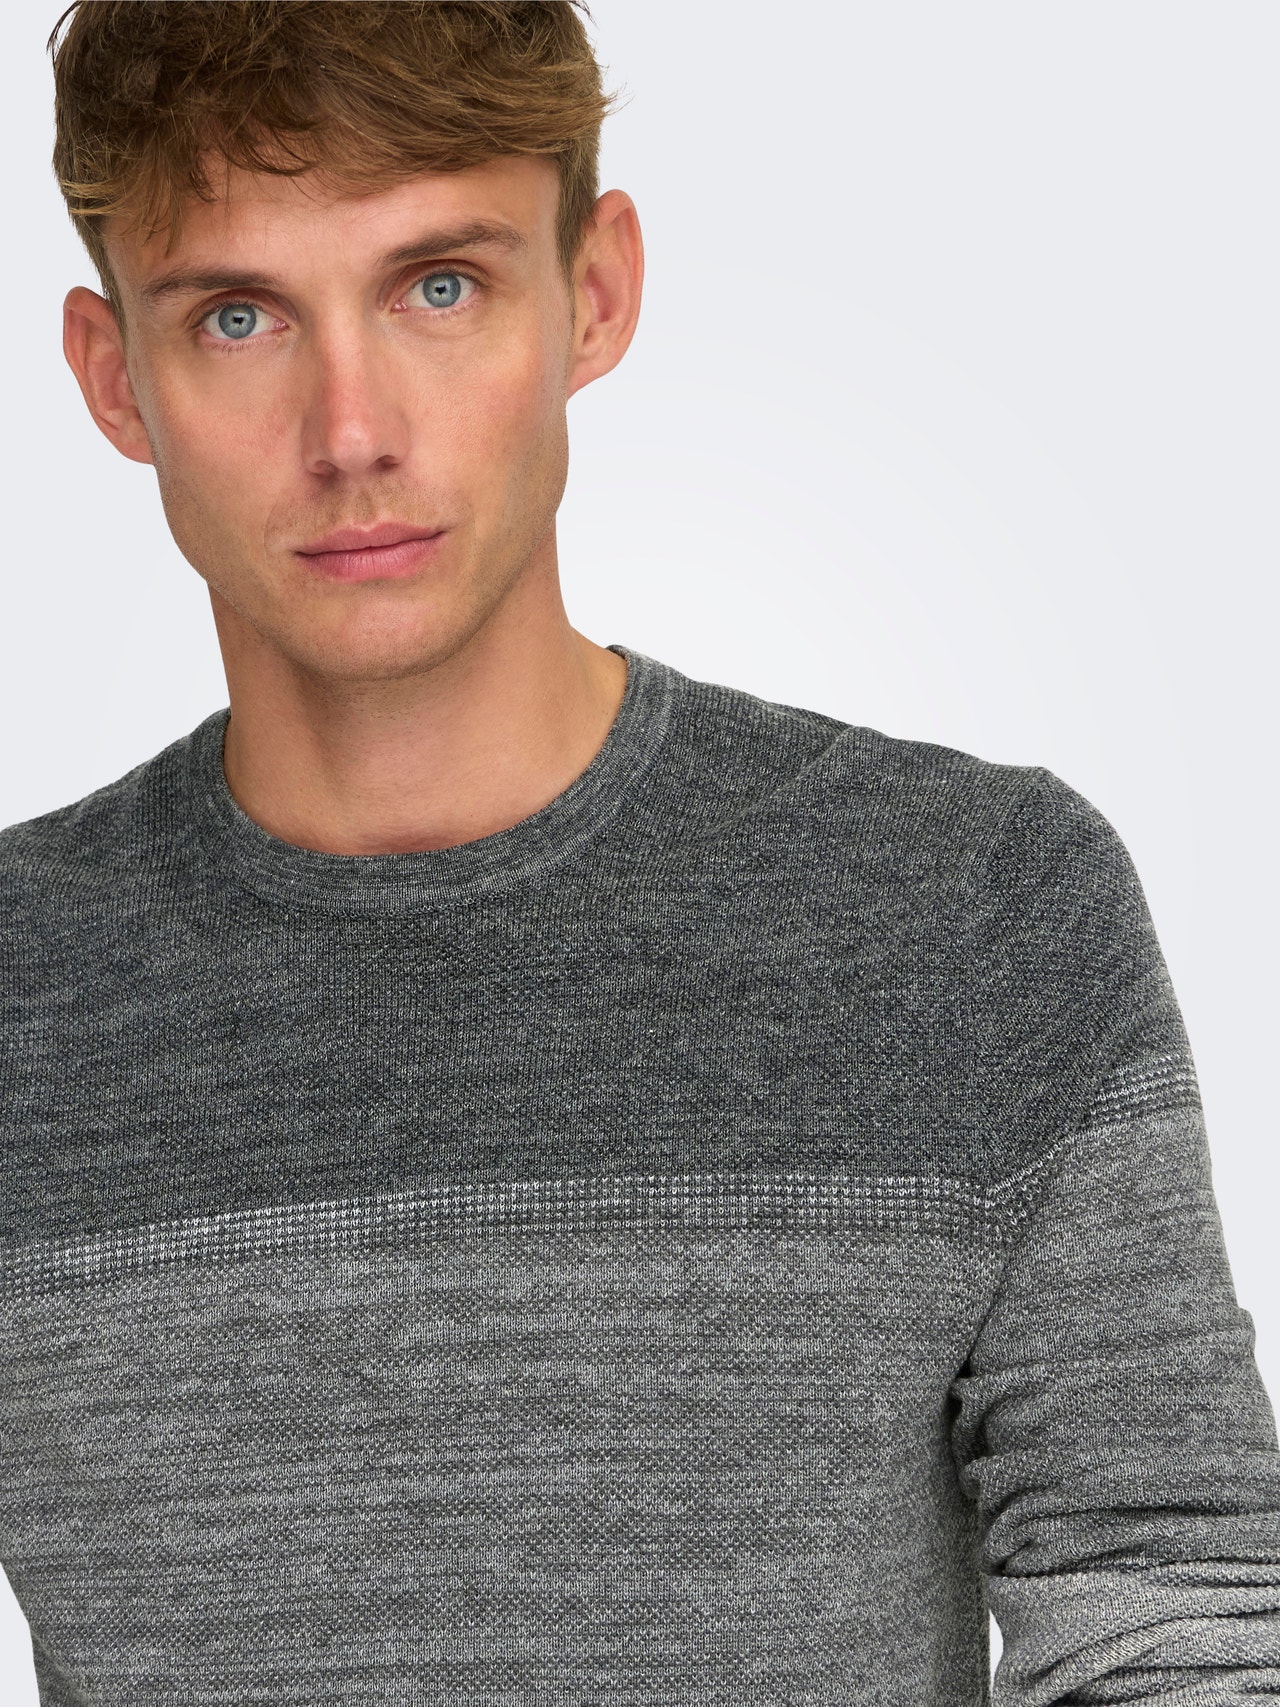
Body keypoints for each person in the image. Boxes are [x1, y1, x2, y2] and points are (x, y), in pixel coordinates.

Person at [0, 2, 1275, 1701]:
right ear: (115, 377)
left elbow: (1176, 1614)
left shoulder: (972, 906)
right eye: (239, 317)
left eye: (438, 287)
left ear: (593, 292)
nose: (352, 429)